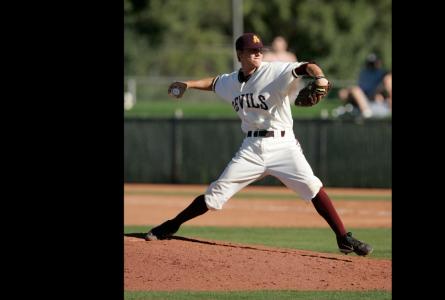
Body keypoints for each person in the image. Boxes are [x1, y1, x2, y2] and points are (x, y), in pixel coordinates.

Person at [145, 33, 373, 256]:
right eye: (251, 51)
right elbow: (214, 83)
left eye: (259, 51)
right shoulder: (231, 81)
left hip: (283, 145)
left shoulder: (274, 71)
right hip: (251, 147)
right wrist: (189, 84)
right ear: (239, 54)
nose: (257, 54)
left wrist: (320, 78)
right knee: (216, 193)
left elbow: (307, 66)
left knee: (313, 187)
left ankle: (343, 238)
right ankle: (172, 225)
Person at [338, 53, 391, 118]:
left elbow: (387, 85)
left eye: (373, 63)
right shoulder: (364, 72)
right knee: (343, 92)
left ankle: (366, 113)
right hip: (362, 96)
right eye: (370, 63)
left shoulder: (382, 73)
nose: (372, 66)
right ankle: (348, 109)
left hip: (370, 98)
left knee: (356, 91)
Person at [262, 36, 301, 103]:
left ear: (285, 45)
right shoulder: (267, 56)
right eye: (276, 43)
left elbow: (297, 73)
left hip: (286, 87)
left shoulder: (290, 57)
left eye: (280, 44)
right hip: (269, 87)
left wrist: (293, 87)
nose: (277, 46)